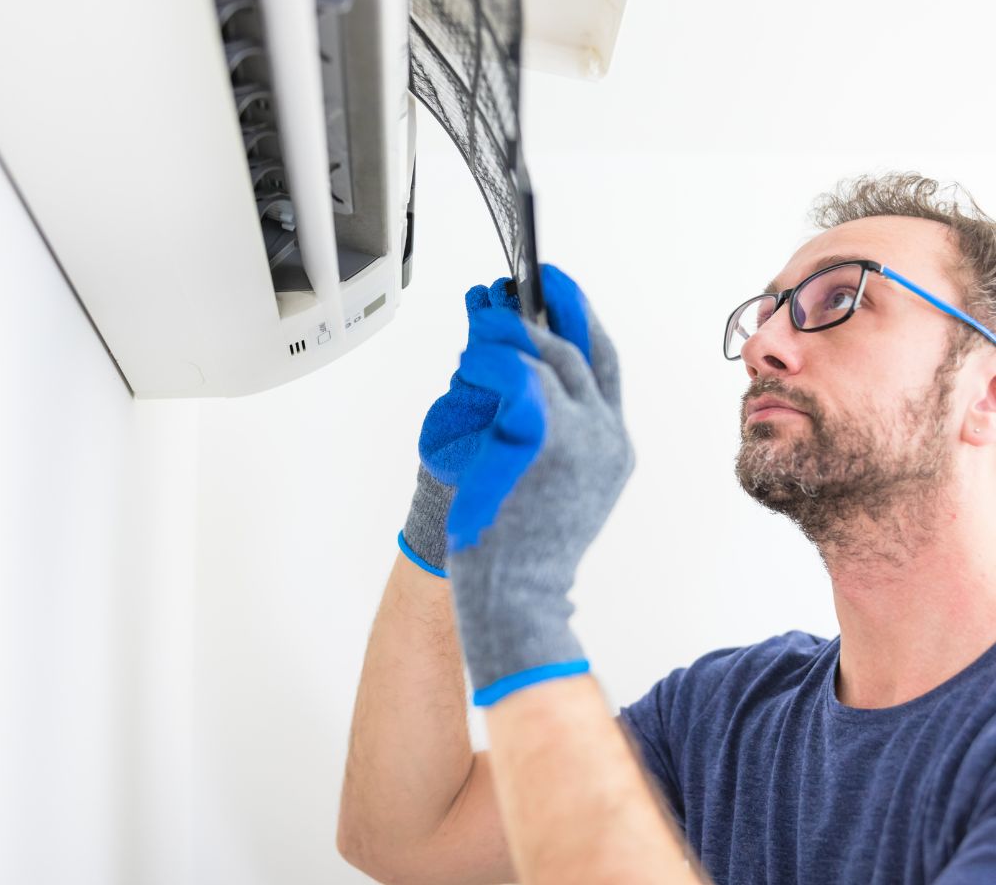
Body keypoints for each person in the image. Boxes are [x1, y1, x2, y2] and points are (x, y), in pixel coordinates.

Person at [336, 173, 996, 884]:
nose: (761, 346)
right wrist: (448, 506)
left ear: (985, 393)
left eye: (841, 298)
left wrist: (520, 603)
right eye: (766, 313)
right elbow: (406, 841)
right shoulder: (725, 716)